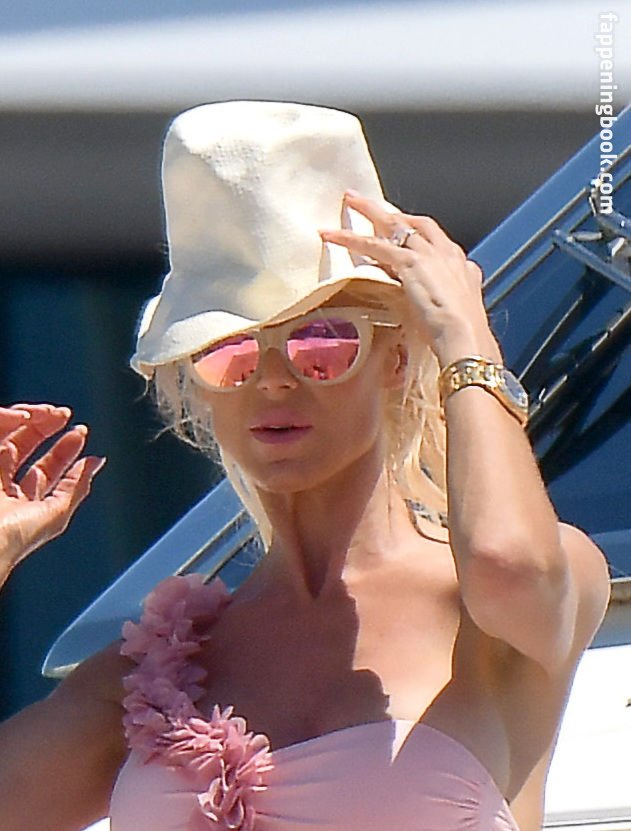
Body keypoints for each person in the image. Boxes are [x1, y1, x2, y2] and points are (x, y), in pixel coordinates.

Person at [0, 101, 610, 831]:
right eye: (229, 354)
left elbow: (508, 562)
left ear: (395, 358)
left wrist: (466, 340)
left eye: (321, 343)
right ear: (197, 386)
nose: (273, 381)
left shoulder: (497, 602)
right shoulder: (151, 672)